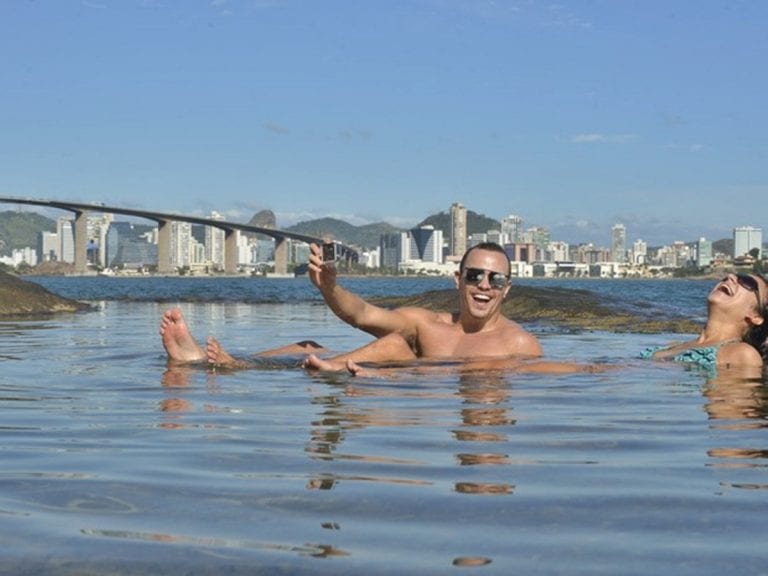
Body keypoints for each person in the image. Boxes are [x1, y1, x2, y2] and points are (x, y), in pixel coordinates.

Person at [161, 241, 544, 369]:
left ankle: (229, 367)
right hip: (376, 377)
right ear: (458, 280)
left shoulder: (518, 344)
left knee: (396, 347)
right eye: (475, 275)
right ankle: (207, 363)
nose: (484, 286)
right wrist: (330, 287)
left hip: (405, 394)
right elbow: (360, 313)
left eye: (496, 279)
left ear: (507, 289)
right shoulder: (428, 324)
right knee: (307, 347)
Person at [639, 272, 767, 375]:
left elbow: (726, 406)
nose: (730, 277)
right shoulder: (673, 345)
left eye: (746, 281)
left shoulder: (743, 354)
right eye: (729, 276)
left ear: (756, 316)